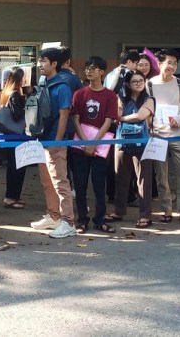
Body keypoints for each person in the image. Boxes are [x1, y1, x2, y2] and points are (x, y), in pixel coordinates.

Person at [30, 47, 78, 238]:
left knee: (60, 182)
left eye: (44, 61)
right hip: (42, 138)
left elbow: (64, 115)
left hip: (55, 141)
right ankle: (53, 216)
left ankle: (68, 221)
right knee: (47, 182)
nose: (40, 64)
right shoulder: (43, 82)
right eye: (40, 61)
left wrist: (58, 141)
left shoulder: (63, 86)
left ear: (54, 64)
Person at [146, 48, 180, 224]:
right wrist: (149, 126)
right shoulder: (150, 84)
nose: (172, 66)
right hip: (158, 135)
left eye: (175, 63)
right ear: (159, 64)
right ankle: (166, 209)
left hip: (178, 135)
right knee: (161, 175)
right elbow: (147, 109)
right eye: (169, 62)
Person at [70, 56, 119, 234]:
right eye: (87, 68)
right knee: (80, 184)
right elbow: (75, 118)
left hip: (100, 145)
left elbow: (108, 121)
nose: (89, 71)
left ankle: (100, 219)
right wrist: (85, 142)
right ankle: (82, 220)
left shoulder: (110, 95)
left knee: (99, 184)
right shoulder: (80, 93)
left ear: (102, 72)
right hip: (80, 145)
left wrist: (94, 143)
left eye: (93, 68)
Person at [107, 69, 155, 228]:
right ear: (127, 84)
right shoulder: (120, 98)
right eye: (135, 81)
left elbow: (140, 116)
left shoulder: (149, 99)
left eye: (141, 81)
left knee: (144, 180)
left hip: (142, 144)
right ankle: (118, 211)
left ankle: (145, 215)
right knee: (120, 177)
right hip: (122, 143)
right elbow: (115, 114)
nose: (139, 84)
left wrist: (122, 119)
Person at [0, 67, 28, 209]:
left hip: (9, 134)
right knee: (18, 167)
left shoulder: (5, 93)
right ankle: (12, 197)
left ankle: (12, 196)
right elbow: (17, 114)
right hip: (18, 135)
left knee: (13, 166)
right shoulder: (16, 94)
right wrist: (26, 103)